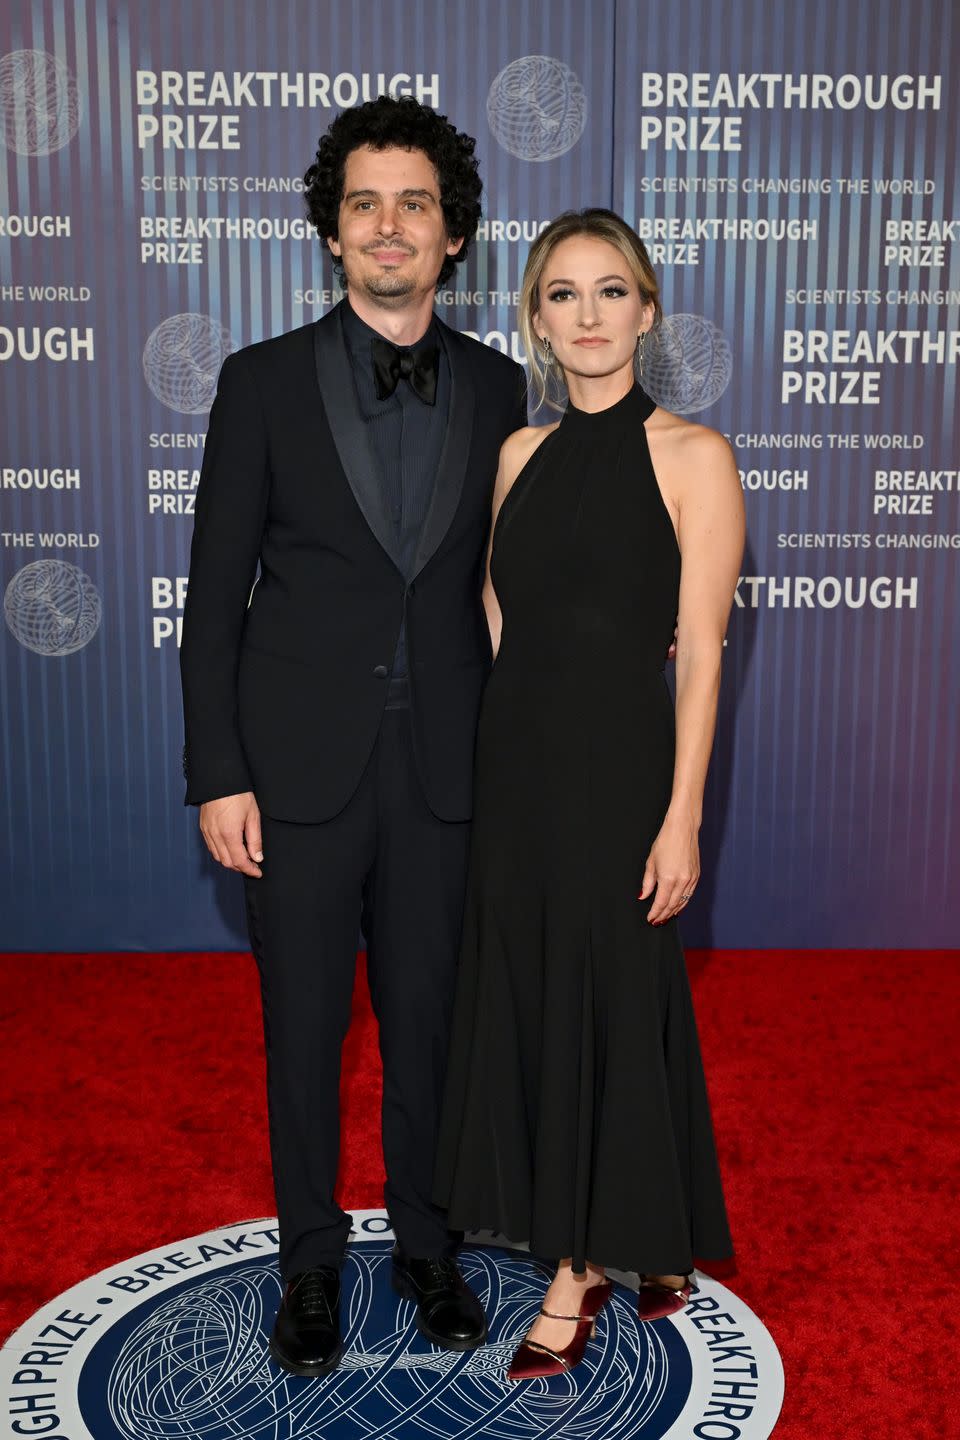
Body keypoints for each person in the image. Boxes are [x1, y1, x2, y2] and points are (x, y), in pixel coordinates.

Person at [179, 96, 527, 1377]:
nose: (389, 227)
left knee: (432, 1024)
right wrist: (218, 771)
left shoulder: (501, 388)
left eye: (415, 204)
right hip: (297, 774)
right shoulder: (257, 381)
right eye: (366, 203)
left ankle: (429, 1249)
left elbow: (526, 579)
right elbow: (214, 600)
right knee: (302, 1031)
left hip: (449, 773)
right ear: (332, 232)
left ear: (452, 236)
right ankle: (310, 1266)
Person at [432, 209, 744, 1379]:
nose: (589, 315)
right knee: (537, 992)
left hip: (620, 777)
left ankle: (577, 1268)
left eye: (612, 292)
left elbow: (703, 653)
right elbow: (503, 622)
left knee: (610, 991)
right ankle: (641, 1235)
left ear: (648, 312)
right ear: (537, 318)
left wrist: (682, 813)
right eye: (563, 294)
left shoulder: (695, 456)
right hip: (519, 773)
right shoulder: (517, 454)